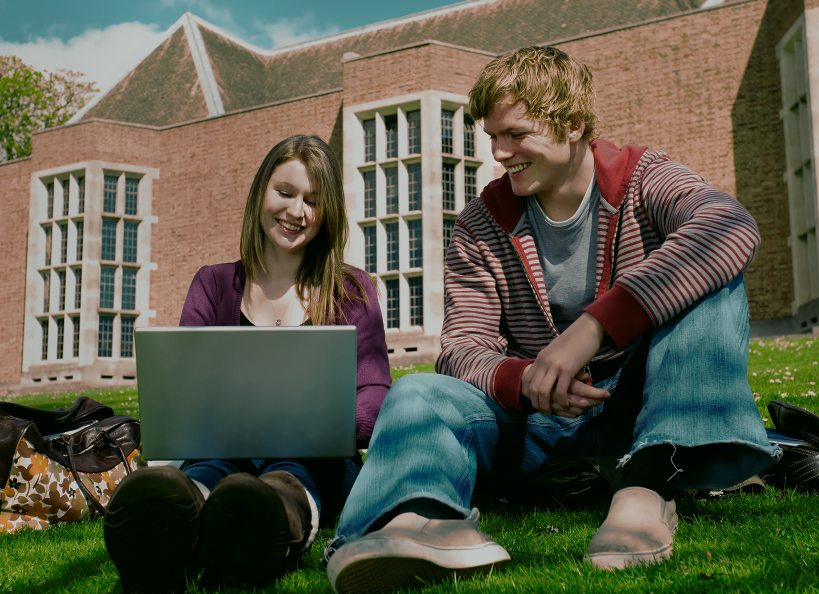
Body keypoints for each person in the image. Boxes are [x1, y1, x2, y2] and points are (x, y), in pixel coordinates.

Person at [324, 46, 782, 593]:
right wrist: (528, 380)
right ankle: (413, 519)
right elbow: (461, 347)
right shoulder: (479, 223)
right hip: (536, 425)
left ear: (573, 124)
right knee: (419, 392)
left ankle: (647, 486)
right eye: (492, 136)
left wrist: (589, 331)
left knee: (711, 281)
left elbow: (729, 226)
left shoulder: (643, 178)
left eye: (516, 134)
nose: (499, 152)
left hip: (645, 406)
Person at [103, 135, 391, 592]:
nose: (297, 212)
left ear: (329, 212)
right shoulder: (213, 284)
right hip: (221, 447)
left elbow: (375, 393)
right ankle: (165, 520)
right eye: (286, 192)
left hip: (314, 455)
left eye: (313, 201)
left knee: (290, 475)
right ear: (260, 193)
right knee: (207, 472)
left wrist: (322, 420)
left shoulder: (351, 289)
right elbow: (184, 387)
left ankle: (270, 524)